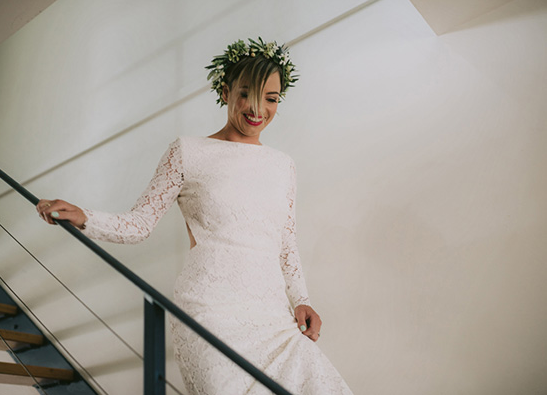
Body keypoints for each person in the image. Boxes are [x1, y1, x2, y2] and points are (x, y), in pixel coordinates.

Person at [37, 38, 353, 394]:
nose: (258, 109)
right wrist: (85, 217)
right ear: (225, 91)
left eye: (271, 98)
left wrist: (302, 300)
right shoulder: (188, 152)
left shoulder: (283, 166)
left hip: (274, 318)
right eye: (246, 94)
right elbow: (139, 225)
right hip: (210, 311)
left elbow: (286, 242)